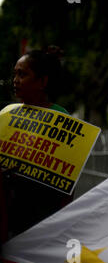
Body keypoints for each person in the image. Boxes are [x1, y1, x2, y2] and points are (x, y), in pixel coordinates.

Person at [1, 48, 73, 239]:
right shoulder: (7, 115)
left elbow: (68, 180)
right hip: (10, 216)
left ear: (42, 82)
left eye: (22, 74)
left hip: (46, 217)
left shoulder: (62, 118)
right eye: (15, 74)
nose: (15, 80)